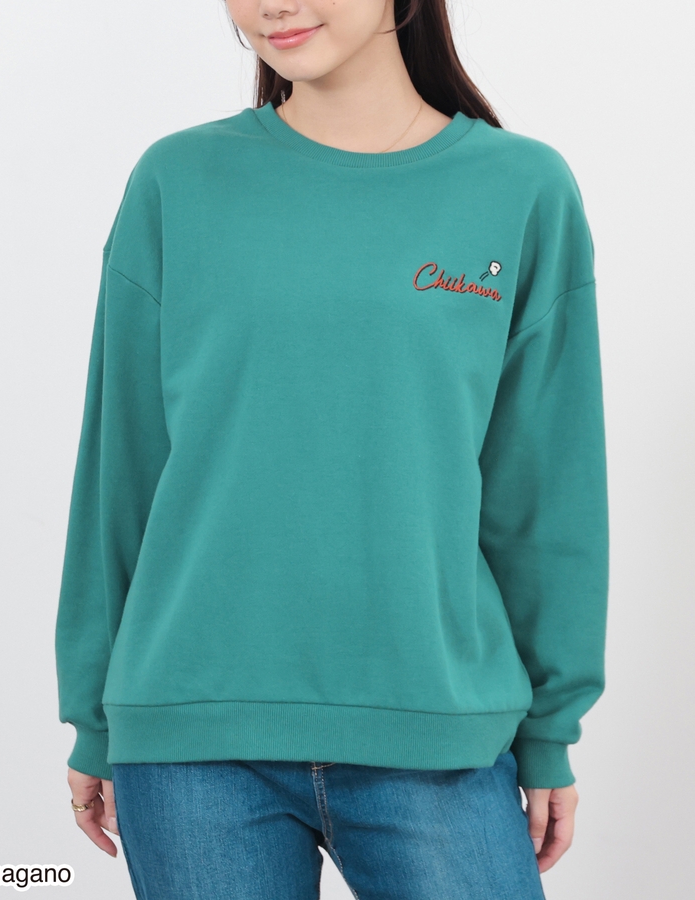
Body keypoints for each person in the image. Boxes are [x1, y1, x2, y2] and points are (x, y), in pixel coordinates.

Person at [55, 1, 609, 897]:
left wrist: (551, 729)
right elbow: (120, 469)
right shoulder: (177, 180)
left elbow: (546, 490)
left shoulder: (520, 189)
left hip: (437, 727)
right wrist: (93, 718)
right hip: (193, 736)